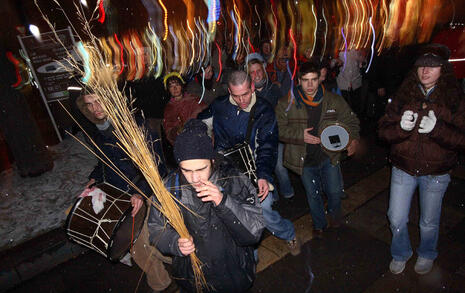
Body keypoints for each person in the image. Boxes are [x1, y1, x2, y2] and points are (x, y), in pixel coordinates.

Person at [71, 87, 174, 293]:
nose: (95, 108)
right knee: (141, 244)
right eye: (89, 105)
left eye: (98, 101)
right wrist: (94, 178)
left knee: (139, 244)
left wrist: (141, 193)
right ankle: (173, 266)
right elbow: (105, 162)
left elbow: (155, 164)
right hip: (122, 196)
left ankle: (165, 282)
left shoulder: (133, 125)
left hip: (147, 190)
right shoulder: (100, 131)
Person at [147, 119, 265, 292]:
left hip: (232, 273)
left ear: (211, 160)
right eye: (187, 171)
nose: (195, 179)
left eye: (201, 169)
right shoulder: (169, 188)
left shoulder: (234, 180)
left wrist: (223, 202)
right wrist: (174, 243)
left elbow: (254, 232)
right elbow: (156, 229)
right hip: (193, 277)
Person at [378, 44, 465, 275]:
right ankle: (401, 252)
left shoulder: (454, 98)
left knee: (428, 221)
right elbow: (383, 131)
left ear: (443, 69)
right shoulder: (404, 94)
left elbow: (462, 139)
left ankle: (427, 252)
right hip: (403, 168)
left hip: (436, 172)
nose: (425, 70)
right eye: (421, 66)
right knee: (395, 217)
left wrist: (438, 129)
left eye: (433, 66)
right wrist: (400, 128)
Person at [198, 70, 300, 255]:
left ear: (252, 87)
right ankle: (249, 261)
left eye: (245, 93)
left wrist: (264, 176)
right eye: (236, 96)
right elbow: (200, 124)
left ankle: (288, 233)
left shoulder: (263, 109)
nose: (242, 100)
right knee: (233, 216)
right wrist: (205, 149)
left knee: (264, 210)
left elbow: (267, 146)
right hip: (226, 170)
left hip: (253, 169)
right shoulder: (219, 106)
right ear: (229, 91)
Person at [276, 62, 360, 238]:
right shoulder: (287, 103)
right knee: (313, 195)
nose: (310, 85)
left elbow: (351, 120)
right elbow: (278, 130)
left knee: (335, 192)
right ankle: (319, 225)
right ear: (299, 80)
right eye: (305, 80)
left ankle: (335, 218)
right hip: (304, 159)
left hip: (329, 156)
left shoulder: (333, 100)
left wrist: (353, 139)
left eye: (314, 80)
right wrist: (300, 135)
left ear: (320, 79)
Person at [247, 56, 295, 200]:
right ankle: (271, 197)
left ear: (264, 71)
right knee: (260, 168)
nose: (256, 75)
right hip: (256, 138)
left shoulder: (274, 89)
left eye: (258, 71)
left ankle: (288, 193)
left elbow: (285, 111)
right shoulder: (247, 94)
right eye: (252, 72)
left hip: (275, 136)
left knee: (279, 167)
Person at [162, 72, 207, 145]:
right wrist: (176, 131)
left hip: (200, 139)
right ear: (168, 89)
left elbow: (206, 116)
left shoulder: (194, 100)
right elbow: (169, 131)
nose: (175, 88)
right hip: (184, 144)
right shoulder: (169, 108)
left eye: (177, 85)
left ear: (182, 86)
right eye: (171, 86)